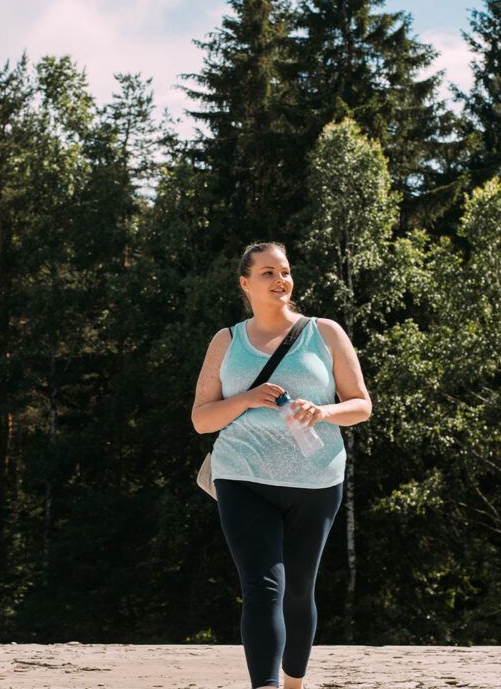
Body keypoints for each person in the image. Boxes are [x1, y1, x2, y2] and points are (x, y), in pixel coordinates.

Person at [191, 241, 372, 689]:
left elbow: (362, 405)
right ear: (245, 283)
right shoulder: (226, 341)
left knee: (297, 592)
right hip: (242, 476)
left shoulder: (324, 332)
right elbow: (201, 419)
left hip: (314, 480)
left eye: (285, 271)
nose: (280, 280)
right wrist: (247, 399)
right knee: (262, 588)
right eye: (268, 272)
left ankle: (294, 682)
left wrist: (323, 412)